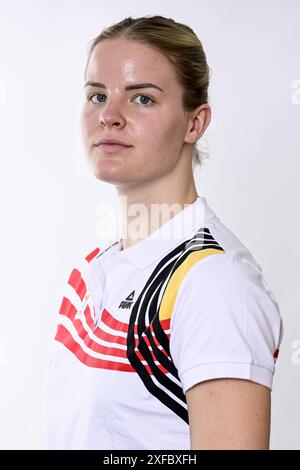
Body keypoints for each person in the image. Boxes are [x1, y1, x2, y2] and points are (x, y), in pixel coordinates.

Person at [42, 15, 284, 450]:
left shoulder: (213, 282)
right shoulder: (92, 271)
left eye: (142, 100)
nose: (109, 116)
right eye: (97, 95)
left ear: (196, 123)